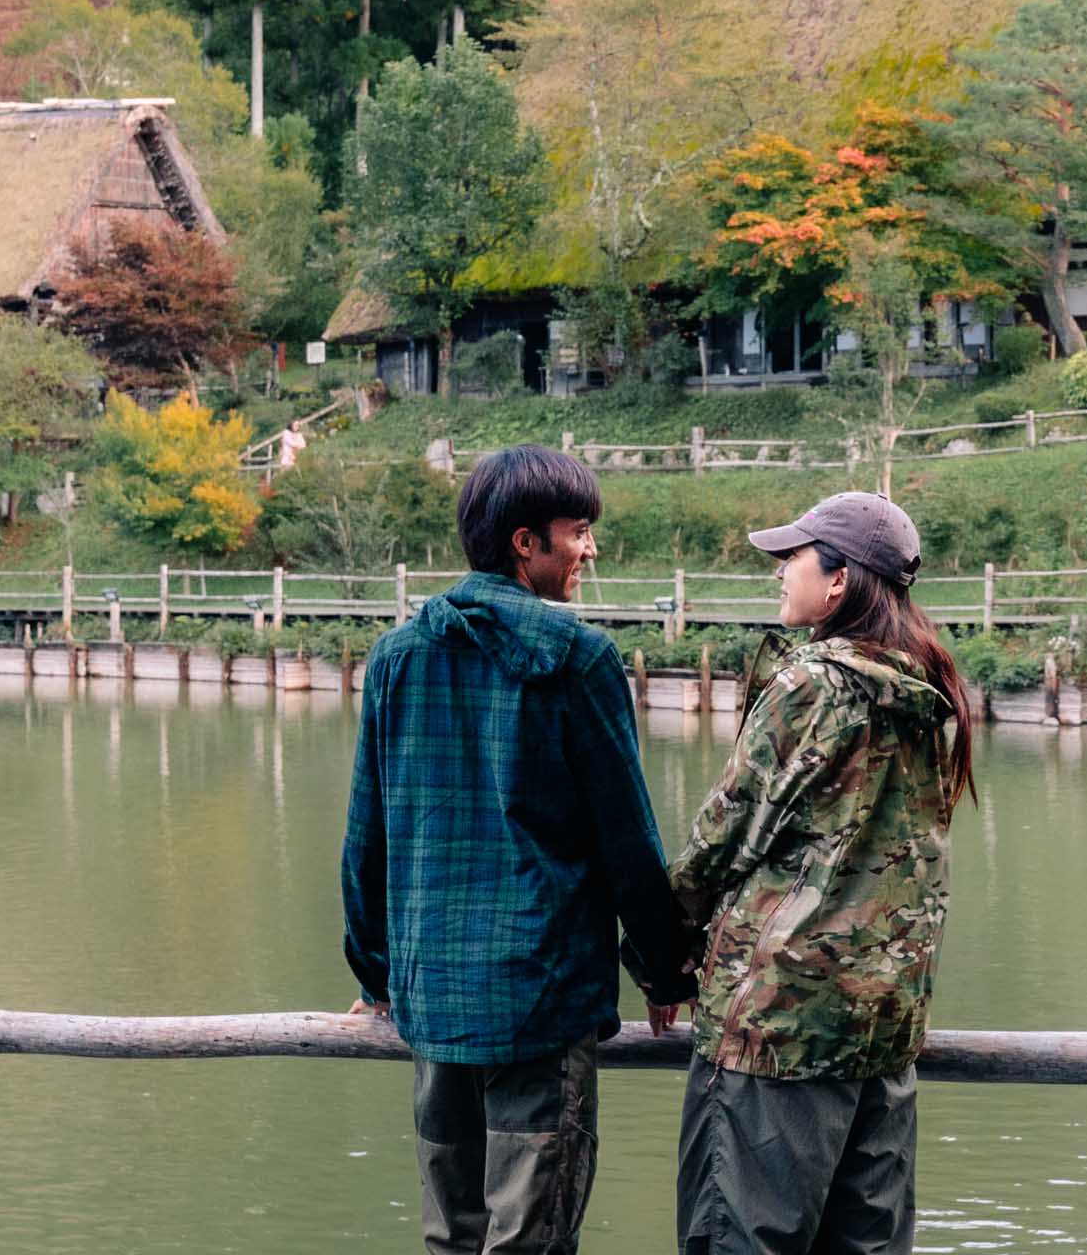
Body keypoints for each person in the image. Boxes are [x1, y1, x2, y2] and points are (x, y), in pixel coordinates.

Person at [342, 444, 697, 1255]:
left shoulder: (398, 657)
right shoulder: (580, 660)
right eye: (578, 531)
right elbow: (627, 841)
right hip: (539, 999)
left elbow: (369, 836)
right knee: (529, 1242)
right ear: (524, 543)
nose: (591, 548)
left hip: (431, 995)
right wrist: (667, 967)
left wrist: (376, 973)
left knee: (452, 1237)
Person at [669, 491, 974, 1255]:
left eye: (792, 558)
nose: (778, 572)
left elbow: (722, 838)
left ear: (839, 581)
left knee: (739, 1240)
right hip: (882, 1028)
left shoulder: (814, 687)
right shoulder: (930, 692)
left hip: (779, 1029)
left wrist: (659, 954)